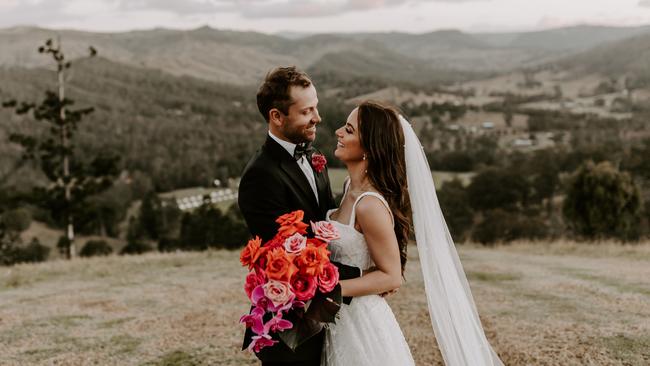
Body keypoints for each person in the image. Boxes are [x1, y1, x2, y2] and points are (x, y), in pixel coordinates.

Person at [322, 101, 503, 366]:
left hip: (361, 325)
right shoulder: (350, 186)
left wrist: (326, 290)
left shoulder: (369, 204)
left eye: (349, 130)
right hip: (341, 317)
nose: (338, 131)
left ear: (370, 149)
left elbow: (391, 276)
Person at [238, 66, 363, 366]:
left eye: (316, 107)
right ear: (277, 117)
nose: (318, 118)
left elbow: (326, 226)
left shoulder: (312, 154)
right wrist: (366, 279)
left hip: (326, 310)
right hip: (293, 324)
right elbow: (295, 261)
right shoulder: (260, 176)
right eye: (307, 111)